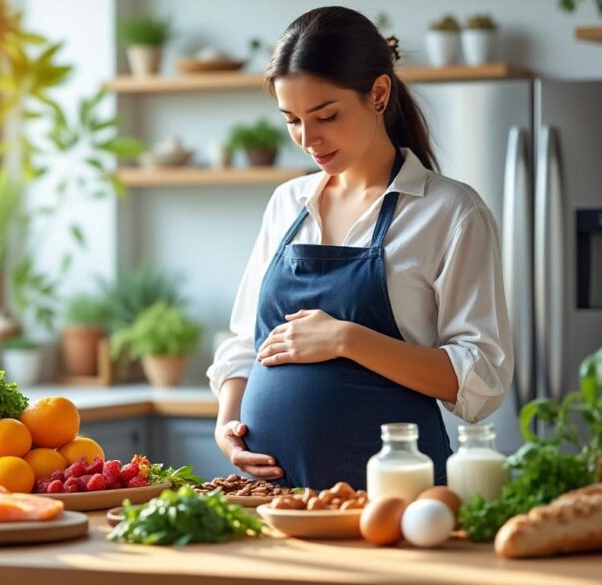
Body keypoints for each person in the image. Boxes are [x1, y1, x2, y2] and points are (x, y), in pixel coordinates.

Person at [206, 6, 514, 490]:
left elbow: (481, 377)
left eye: (326, 116)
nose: (309, 139)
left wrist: (347, 339)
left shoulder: (450, 212)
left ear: (378, 93)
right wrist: (228, 425)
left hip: (397, 501)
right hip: (273, 498)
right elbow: (247, 340)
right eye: (292, 120)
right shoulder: (288, 202)